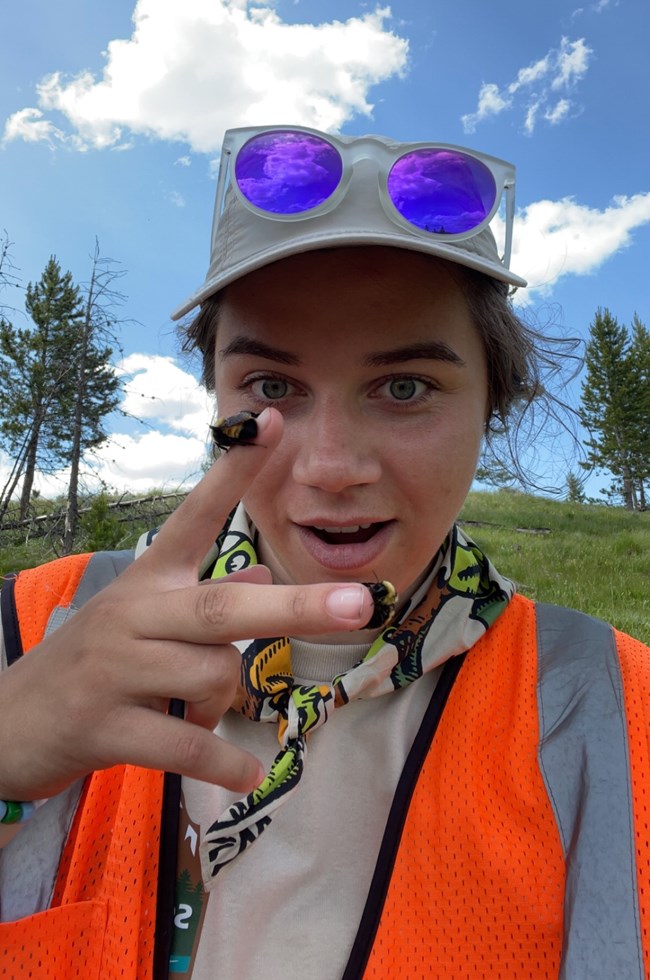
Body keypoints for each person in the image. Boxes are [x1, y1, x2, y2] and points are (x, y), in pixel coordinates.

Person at [0, 125, 648, 980]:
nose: (332, 468)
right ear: (216, 395)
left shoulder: (608, 700)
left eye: (405, 388)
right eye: (272, 388)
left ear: (494, 402)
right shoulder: (34, 621)